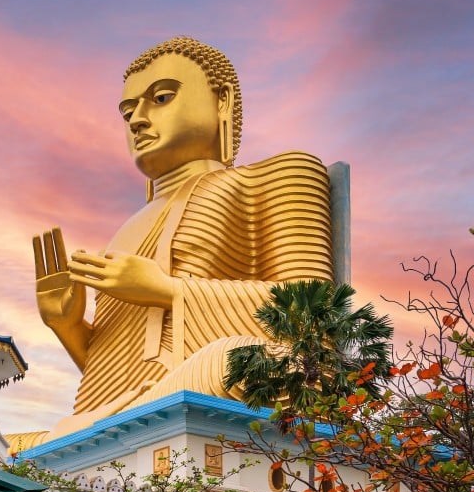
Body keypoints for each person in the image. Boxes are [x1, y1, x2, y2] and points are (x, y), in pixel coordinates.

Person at [32, 37, 333, 439]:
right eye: (127, 111)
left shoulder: (278, 174)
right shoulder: (125, 230)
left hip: (215, 376)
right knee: (14, 446)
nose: (137, 119)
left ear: (221, 100)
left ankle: (89, 436)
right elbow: (122, 370)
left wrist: (168, 290)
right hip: (141, 402)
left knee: (231, 361)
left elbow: (316, 314)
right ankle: (89, 434)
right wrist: (67, 325)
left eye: (160, 97)